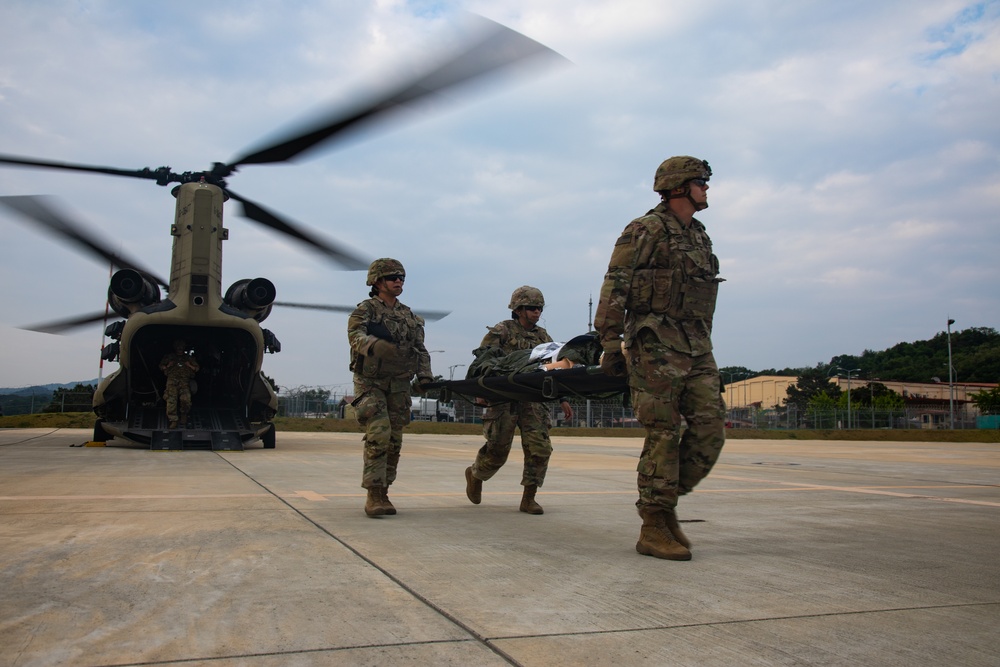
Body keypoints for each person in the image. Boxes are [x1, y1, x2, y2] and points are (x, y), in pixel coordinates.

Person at [594, 156, 726, 561]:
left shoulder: (699, 235)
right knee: (663, 434)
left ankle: (666, 503)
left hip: (697, 346)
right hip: (654, 342)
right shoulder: (644, 230)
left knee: (711, 426)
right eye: (701, 182)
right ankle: (653, 523)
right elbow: (615, 283)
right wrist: (611, 341)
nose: (707, 189)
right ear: (680, 187)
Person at [464, 286, 574, 515]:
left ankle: (529, 498)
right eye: (532, 308)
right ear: (519, 309)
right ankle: (475, 474)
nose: (537, 312)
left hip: (533, 400)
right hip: (503, 399)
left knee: (540, 448)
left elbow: (555, 367)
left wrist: (562, 397)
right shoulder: (501, 331)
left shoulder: (543, 337)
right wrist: (481, 390)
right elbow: (482, 361)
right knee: (497, 452)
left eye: (540, 308)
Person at [347, 258, 434, 518]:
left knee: (395, 440)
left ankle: (385, 490)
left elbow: (420, 349)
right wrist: (374, 345)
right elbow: (355, 337)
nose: (398, 281)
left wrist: (425, 376)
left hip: (399, 384)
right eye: (392, 277)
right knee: (380, 433)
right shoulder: (366, 310)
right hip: (371, 382)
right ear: (377, 281)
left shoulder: (410, 316)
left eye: (401, 278)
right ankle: (373, 494)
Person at [159, 339, 199, 429]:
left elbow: (196, 368)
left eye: (181, 347)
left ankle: (184, 414)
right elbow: (161, 366)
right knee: (171, 401)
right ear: (175, 348)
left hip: (184, 382)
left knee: (186, 400)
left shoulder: (188, 358)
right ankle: (173, 420)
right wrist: (167, 366)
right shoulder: (170, 357)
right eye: (178, 347)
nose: (180, 348)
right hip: (172, 382)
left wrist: (189, 365)